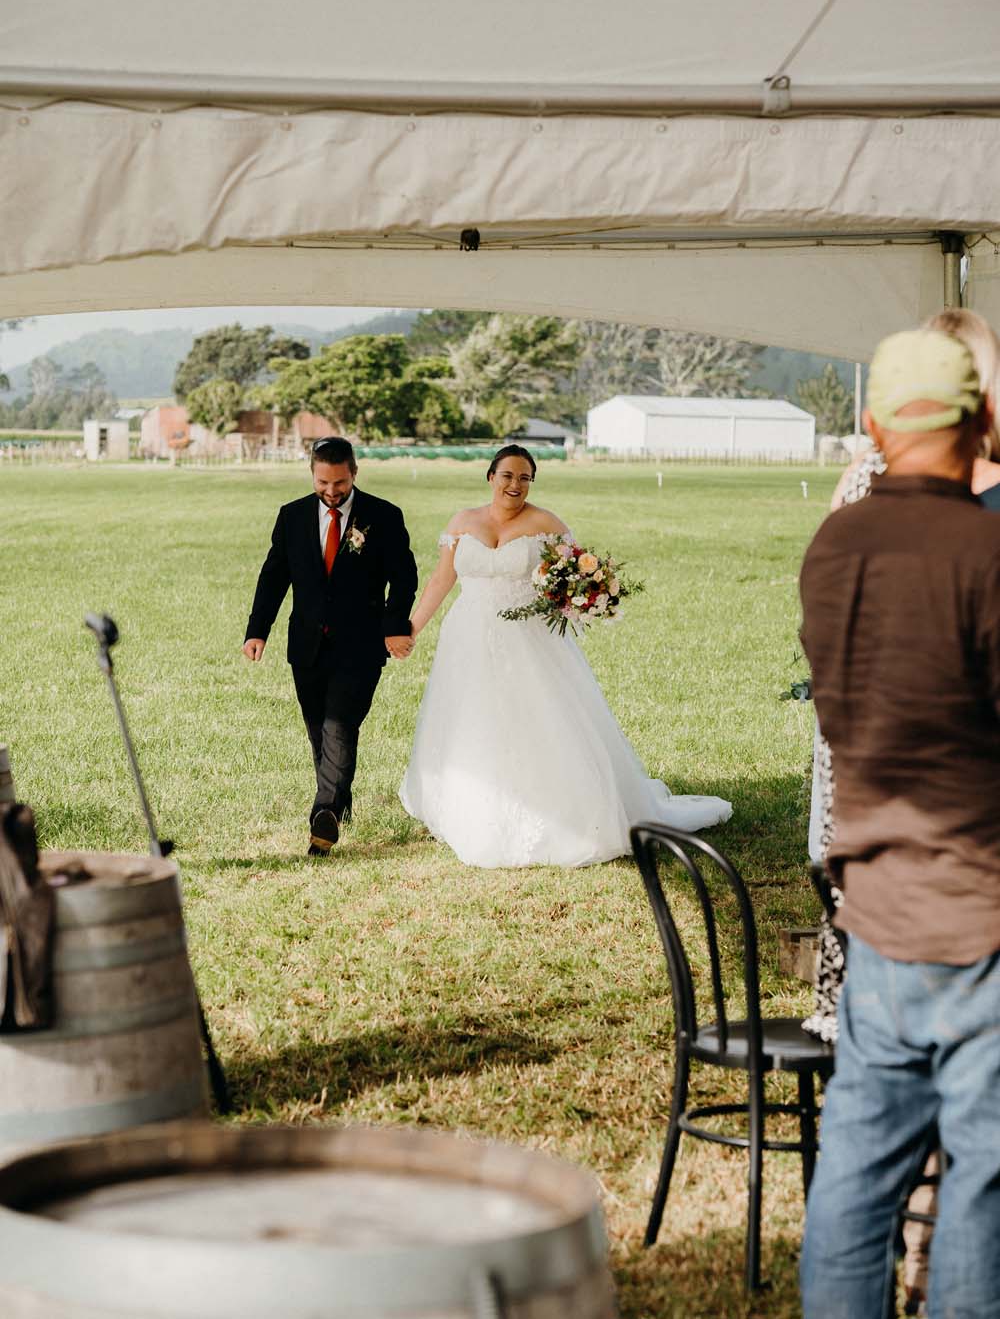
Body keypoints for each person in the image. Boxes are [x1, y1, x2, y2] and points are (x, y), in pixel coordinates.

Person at [798, 329, 1000, 1319]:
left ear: (874, 426)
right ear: (983, 421)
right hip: (981, 912)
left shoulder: (833, 545)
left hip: (871, 907)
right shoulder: (988, 548)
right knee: (982, 1184)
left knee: (855, 1178)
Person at [398, 445, 732, 867]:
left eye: (524, 478)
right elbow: (442, 578)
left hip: (528, 639)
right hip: (468, 636)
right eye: (507, 476)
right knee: (472, 717)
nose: (515, 485)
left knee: (537, 718)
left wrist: (585, 598)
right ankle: (475, 806)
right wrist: (411, 630)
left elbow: (576, 577)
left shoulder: (547, 524)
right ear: (490, 477)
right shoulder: (463, 522)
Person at [243, 437, 417, 856]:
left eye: (340, 482)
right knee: (318, 728)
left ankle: (323, 817)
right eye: (324, 482)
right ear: (312, 474)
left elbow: (405, 577)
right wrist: (257, 630)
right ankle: (340, 797)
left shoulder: (384, 516)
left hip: (361, 645)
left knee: (340, 725)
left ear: (354, 473)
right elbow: (273, 577)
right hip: (306, 645)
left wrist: (395, 627)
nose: (332, 491)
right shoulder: (292, 516)